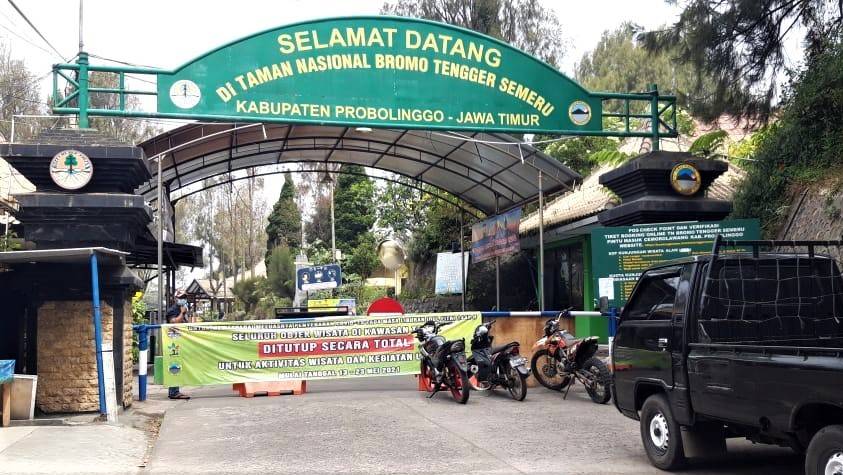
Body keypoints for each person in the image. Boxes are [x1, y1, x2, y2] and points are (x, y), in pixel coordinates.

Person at [165, 288, 191, 400]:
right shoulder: (173, 310)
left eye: (184, 298)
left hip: (181, 341)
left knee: (179, 365)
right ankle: (174, 392)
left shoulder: (182, 308)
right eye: (180, 298)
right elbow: (174, 323)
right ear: (175, 299)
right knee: (174, 365)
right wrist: (182, 313)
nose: (183, 300)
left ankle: (175, 390)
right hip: (174, 343)